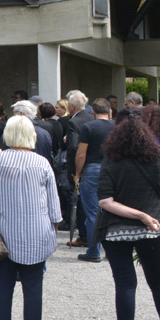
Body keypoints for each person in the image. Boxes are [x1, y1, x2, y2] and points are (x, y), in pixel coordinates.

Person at [95, 117, 160, 320]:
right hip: (152, 227)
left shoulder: (110, 162)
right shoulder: (158, 160)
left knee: (125, 284)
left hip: (115, 229)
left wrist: (137, 214)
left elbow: (105, 201)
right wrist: (143, 214)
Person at [0, 116, 62, 320]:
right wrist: (55, 231)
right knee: (33, 289)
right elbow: (54, 205)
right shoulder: (42, 163)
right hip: (37, 233)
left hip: (2, 234)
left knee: (2, 291)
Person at [74, 98, 115, 262]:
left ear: (93, 112)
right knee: (112, 210)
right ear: (109, 111)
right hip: (113, 169)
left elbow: (81, 153)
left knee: (92, 212)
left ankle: (94, 251)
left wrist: (78, 173)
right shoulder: (117, 126)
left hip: (92, 169)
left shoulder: (88, 127)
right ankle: (111, 250)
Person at [64, 91, 94, 246]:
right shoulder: (92, 118)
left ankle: (84, 236)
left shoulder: (73, 123)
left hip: (80, 166)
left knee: (80, 201)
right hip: (96, 163)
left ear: (72, 106)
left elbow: (74, 147)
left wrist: (76, 170)